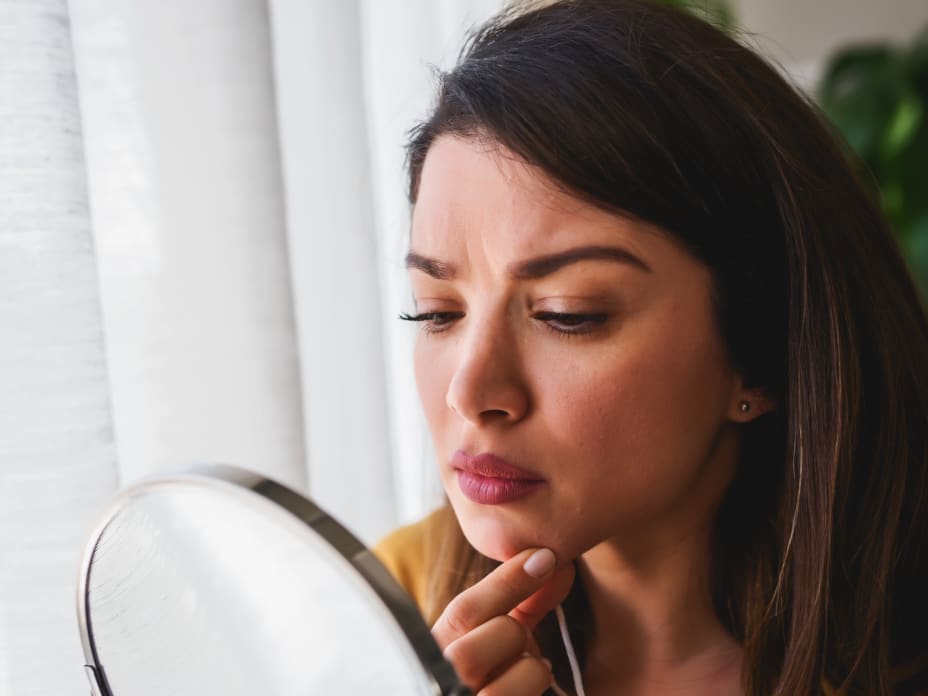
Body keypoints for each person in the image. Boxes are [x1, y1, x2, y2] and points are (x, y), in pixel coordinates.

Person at [373, 1, 928, 694]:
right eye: (437, 312)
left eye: (568, 315)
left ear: (759, 354)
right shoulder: (383, 610)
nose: (470, 392)